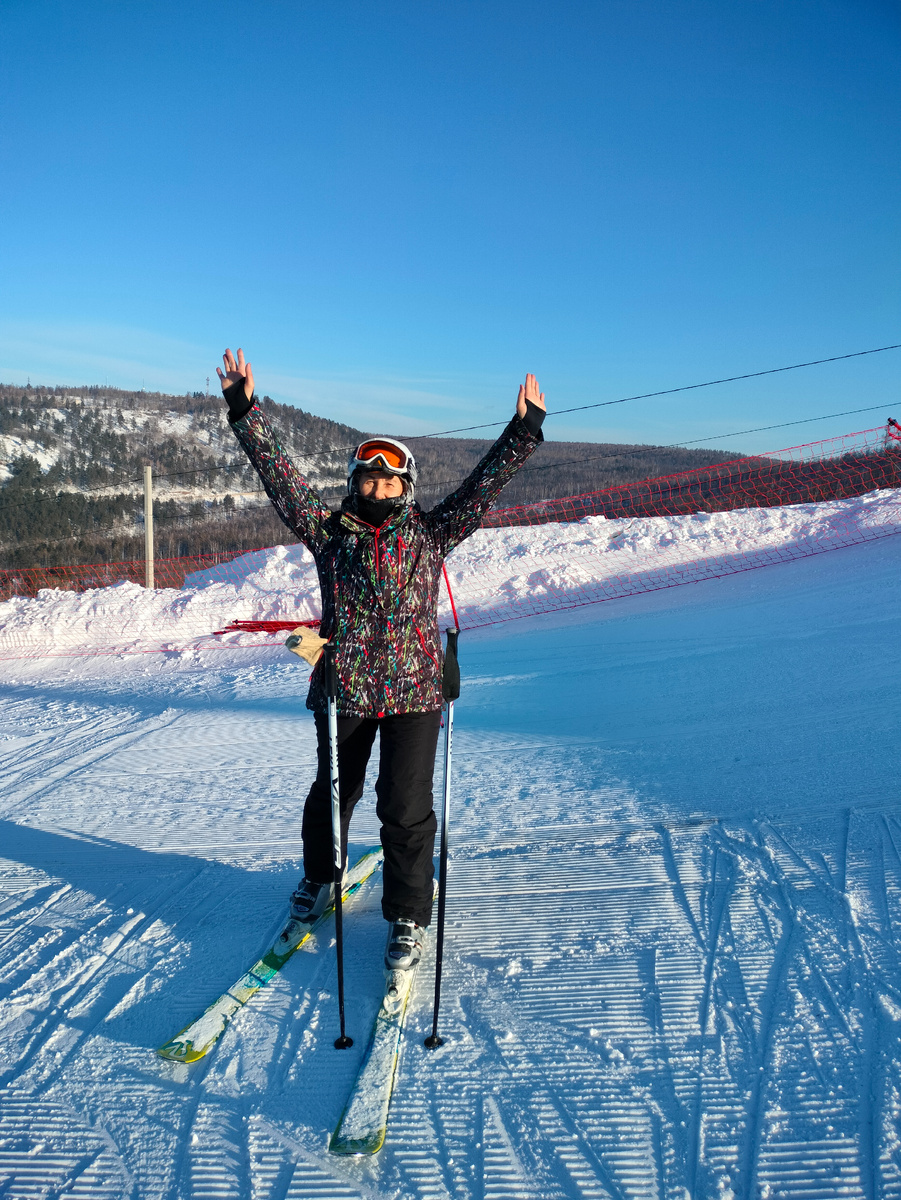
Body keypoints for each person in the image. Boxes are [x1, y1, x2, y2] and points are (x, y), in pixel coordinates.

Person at [217, 348, 545, 972]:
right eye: (368, 478)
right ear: (354, 482)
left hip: (415, 694)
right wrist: (244, 407)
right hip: (346, 687)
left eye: (391, 480)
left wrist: (523, 431)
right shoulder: (328, 531)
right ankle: (319, 880)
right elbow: (279, 477)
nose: (379, 488)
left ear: (407, 487)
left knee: (404, 804)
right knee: (333, 793)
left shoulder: (429, 533)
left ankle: (409, 914)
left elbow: (482, 489)